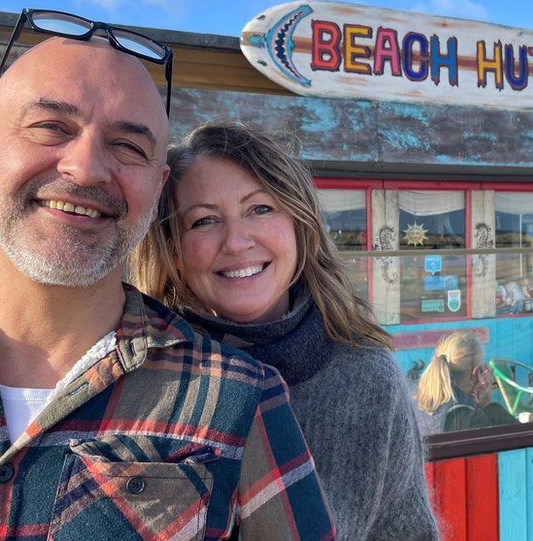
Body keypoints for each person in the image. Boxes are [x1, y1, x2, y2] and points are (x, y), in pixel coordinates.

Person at [0, 26, 333, 540]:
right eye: (51, 126)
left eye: (128, 146)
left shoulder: (242, 400)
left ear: (156, 190)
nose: (87, 168)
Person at [130, 121, 438, 540]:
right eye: (204, 221)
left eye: (260, 209)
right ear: (174, 249)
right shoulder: (139, 374)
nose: (237, 242)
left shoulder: (366, 378)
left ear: (299, 224)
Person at [415, 331, 515, 435]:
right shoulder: (468, 417)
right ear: (476, 372)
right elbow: (517, 440)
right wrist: (488, 405)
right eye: (482, 369)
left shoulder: (424, 404)